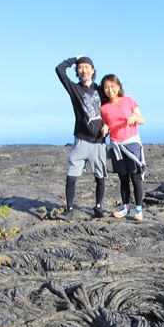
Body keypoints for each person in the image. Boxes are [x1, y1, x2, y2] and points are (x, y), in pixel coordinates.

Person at [55, 55, 107, 219]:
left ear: (93, 70)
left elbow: (113, 106)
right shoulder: (74, 89)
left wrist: (108, 125)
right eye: (80, 67)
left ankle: (98, 207)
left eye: (87, 67)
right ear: (77, 71)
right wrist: (73, 59)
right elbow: (59, 69)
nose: (83, 70)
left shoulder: (101, 90)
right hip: (81, 140)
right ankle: (69, 209)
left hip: (99, 142)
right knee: (72, 175)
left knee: (100, 176)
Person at [100, 74, 146, 221]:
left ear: (118, 86)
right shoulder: (104, 108)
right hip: (116, 146)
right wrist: (105, 127)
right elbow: (105, 123)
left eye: (112, 86)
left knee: (135, 176)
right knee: (123, 178)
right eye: (106, 87)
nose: (109, 89)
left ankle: (138, 209)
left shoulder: (128, 100)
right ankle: (125, 207)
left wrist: (134, 118)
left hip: (132, 143)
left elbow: (142, 120)